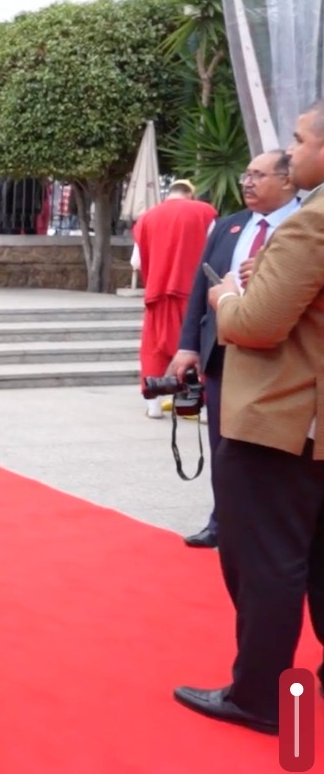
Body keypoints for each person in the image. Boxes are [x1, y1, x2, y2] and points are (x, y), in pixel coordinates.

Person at [174, 101, 324, 735]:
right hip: (308, 423)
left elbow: (257, 325)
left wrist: (229, 297)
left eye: (299, 140)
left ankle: (261, 697)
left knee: (268, 564)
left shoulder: (311, 223)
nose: (290, 153)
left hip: (281, 420)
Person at [169, 151, 302, 549]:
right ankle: (223, 521)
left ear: (287, 180)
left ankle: (271, 526)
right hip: (222, 352)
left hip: (279, 355)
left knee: (269, 449)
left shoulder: (304, 226)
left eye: (258, 175)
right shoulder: (229, 225)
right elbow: (201, 287)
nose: (247, 182)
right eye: (246, 175)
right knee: (222, 445)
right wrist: (188, 346)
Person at [131, 179, 216, 417]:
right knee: (198, 348)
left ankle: (153, 406)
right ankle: (202, 408)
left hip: (157, 294)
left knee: (154, 350)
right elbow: (216, 251)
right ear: (190, 194)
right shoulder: (205, 213)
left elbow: (136, 262)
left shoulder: (146, 218)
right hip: (194, 294)